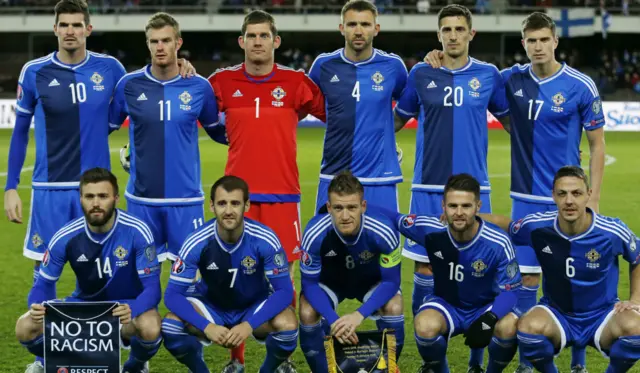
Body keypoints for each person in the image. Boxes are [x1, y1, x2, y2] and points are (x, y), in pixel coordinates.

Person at [424, 13, 606, 373]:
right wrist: (438, 57)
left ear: (555, 41)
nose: (538, 46)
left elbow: (597, 145)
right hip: (524, 196)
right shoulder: (508, 80)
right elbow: (471, 81)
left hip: (565, 199)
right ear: (523, 44)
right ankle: (526, 359)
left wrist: (593, 197)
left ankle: (580, 360)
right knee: (526, 279)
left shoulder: (580, 85)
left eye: (544, 40)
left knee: (569, 277)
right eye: (531, 41)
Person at [393, 5, 509, 371]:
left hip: (476, 192)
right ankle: (433, 361)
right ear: (439, 35)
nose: (453, 35)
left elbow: (514, 125)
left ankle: (476, 359)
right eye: (447, 29)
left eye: (460, 28)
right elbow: (396, 119)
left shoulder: (489, 75)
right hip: (428, 187)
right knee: (426, 271)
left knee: (480, 272)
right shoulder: (421, 72)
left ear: (471, 34)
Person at [208, 10, 326, 370]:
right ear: (242, 42)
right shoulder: (221, 82)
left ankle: (283, 356)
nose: (257, 42)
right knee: (235, 277)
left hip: (282, 196)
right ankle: (236, 359)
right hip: (236, 200)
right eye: (251, 36)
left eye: (264, 36)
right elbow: (206, 120)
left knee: (283, 280)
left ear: (276, 42)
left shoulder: (295, 82)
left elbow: (332, 114)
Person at [480, 166, 640, 373]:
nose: (569, 201)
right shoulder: (537, 227)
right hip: (557, 312)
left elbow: (637, 256)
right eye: (562, 194)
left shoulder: (611, 231)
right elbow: (507, 225)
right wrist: (469, 217)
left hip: (603, 313)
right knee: (528, 328)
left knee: (636, 329)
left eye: (576, 193)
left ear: (588, 195)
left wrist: (636, 299)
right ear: (553, 195)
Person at [15, 168, 162, 373]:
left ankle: (135, 366)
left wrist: (134, 309)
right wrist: (37, 306)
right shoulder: (66, 236)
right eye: (89, 196)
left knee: (150, 326)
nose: (96, 203)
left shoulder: (137, 231)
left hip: (123, 309)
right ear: (81, 199)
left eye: (103, 196)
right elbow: (43, 284)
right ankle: (45, 360)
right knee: (24, 326)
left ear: (116, 198)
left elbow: (153, 288)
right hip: (83, 308)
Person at [109, 13, 223, 264]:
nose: (160, 47)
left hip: (186, 200)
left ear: (178, 44)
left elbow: (217, 131)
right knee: (142, 278)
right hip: (142, 201)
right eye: (154, 41)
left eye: (166, 41)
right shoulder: (128, 85)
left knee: (187, 282)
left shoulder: (198, 86)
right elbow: (103, 128)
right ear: (147, 44)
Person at [381, 174, 520, 373]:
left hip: (484, 306)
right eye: (453, 206)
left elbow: (511, 291)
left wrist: (490, 318)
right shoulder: (431, 230)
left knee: (509, 326)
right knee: (424, 325)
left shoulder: (498, 242)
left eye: (466, 206)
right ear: (443, 206)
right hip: (446, 304)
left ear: (478, 206)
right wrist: (358, 209)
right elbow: (395, 219)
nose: (459, 212)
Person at [161, 175, 298, 373]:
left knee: (288, 325)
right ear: (211, 206)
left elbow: (284, 291)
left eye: (235, 203)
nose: (228, 211)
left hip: (253, 305)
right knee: (170, 326)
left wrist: (249, 325)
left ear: (247, 205)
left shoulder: (264, 239)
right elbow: (172, 295)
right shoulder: (197, 241)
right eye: (222, 203)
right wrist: (207, 326)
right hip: (211, 306)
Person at [298, 170, 404, 373]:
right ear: (328, 208)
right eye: (338, 208)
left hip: (370, 281)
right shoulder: (314, 233)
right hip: (332, 283)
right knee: (306, 309)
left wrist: (359, 315)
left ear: (363, 206)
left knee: (394, 305)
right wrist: (333, 320)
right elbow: (309, 284)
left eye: (351, 207)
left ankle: (383, 369)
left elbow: (391, 282)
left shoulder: (383, 231)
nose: (345, 216)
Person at [308, 0, 408, 213]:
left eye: (366, 24)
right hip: (334, 173)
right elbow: (305, 104)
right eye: (352, 24)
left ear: (376, 29)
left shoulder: (393, 66)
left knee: (380, 242)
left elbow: (409, 104)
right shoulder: (323, 66)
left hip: (379, 175)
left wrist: (386, 139)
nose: (359, 31)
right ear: (342, 28)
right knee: (329, 244)